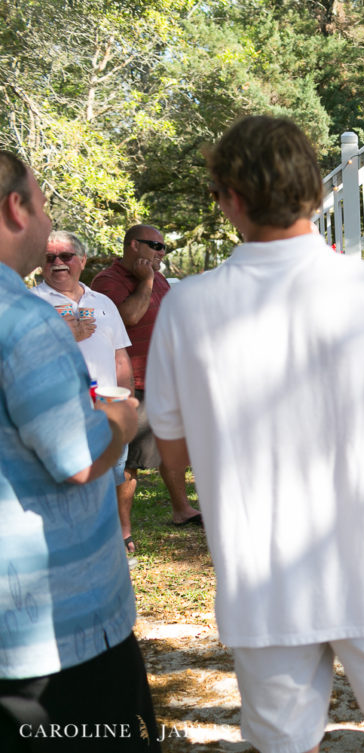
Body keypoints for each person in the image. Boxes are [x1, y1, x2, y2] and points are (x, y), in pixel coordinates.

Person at [145, 115, 364, 753]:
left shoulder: (186, 309)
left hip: (259, 577)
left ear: (230, 200)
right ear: (320, 192)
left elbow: (176, 452)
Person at [0, 151, 155, 751]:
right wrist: (118, 420)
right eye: (41, 205)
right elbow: (78, 459)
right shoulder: (25, 320)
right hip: (58, 644)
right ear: (17, 207)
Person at [32, 230, 137, 563]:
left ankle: (117, 539)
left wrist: (127, 401)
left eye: (66, 256)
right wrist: (65, 333)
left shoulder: (102, 302)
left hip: (109, 408)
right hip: (61, 412)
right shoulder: (30, 304)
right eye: (50, 258)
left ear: (83, 261)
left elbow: (120, 356)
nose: (59, 264)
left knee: (113, 478)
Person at [92, 224, 199, 527]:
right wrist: (147, 281)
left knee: (171, 448)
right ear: (132, 246)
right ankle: (122, 529)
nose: (161, 252)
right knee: (130, 460)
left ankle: (182, 509)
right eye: (154, 245)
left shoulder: (159, 279)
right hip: (134, 381)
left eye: (163, 247)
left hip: (165, 378)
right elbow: (128, 317)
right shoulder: (107, 280)